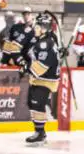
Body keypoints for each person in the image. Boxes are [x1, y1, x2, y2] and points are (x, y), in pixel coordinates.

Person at [19, 13, 60, 145]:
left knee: (37, 103)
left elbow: (42, 65)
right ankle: (40, 132)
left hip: (45, 80)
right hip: (40, 78)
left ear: (43, 28)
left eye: (37, 26)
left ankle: (40, 133)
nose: (34, 28)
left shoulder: (45, 43)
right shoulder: (42, 41)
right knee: (32, 103)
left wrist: (27, 69)